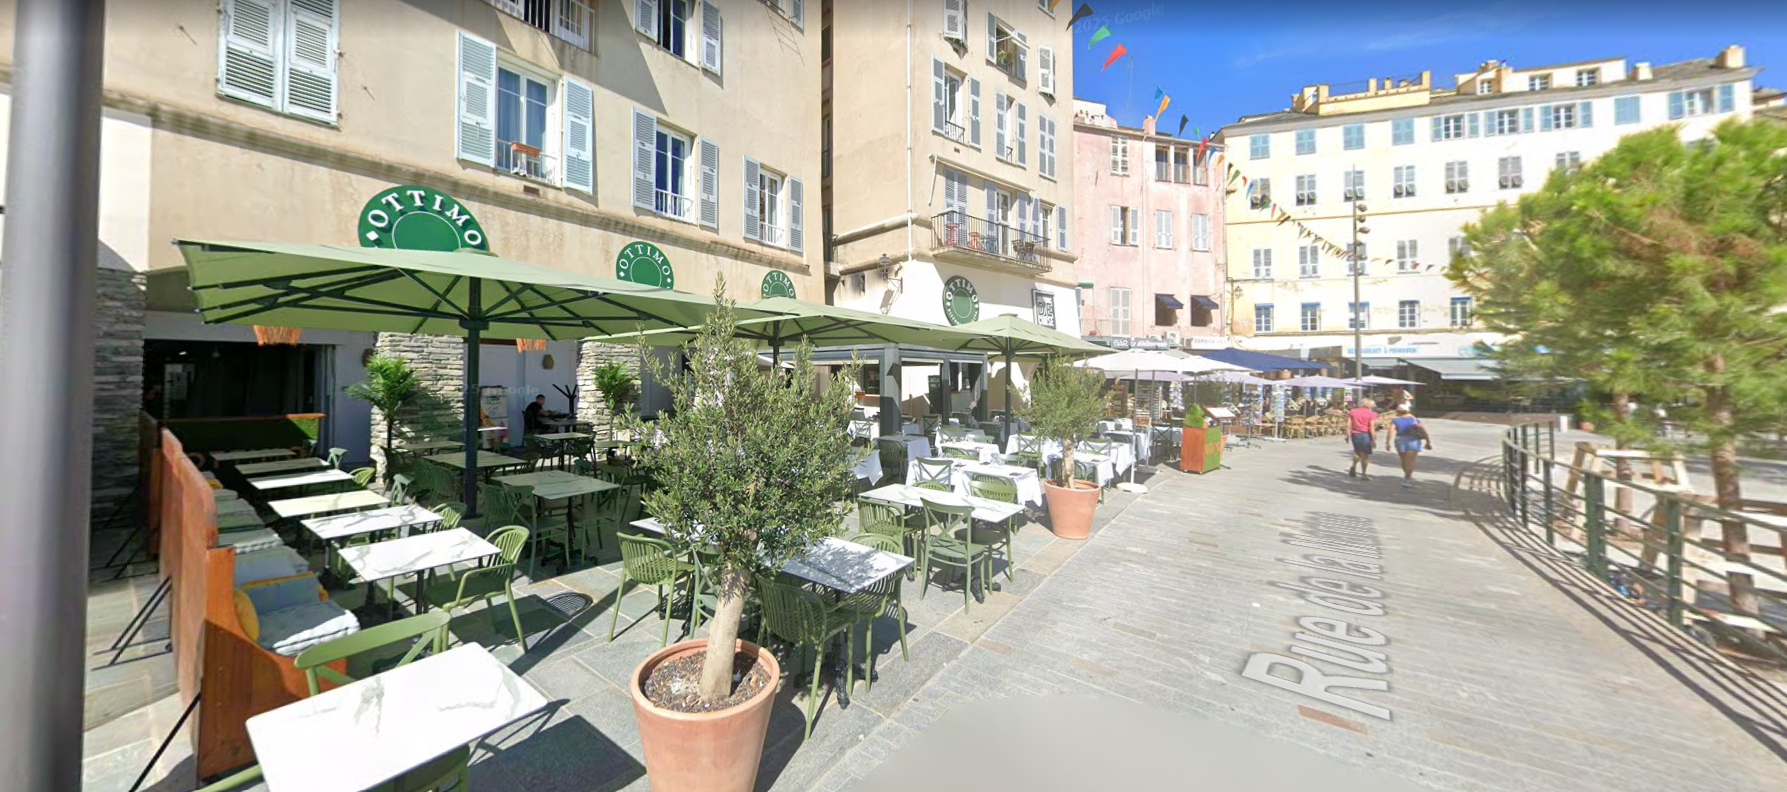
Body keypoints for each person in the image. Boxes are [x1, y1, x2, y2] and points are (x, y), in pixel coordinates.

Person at [1386, 406, 1432, 487]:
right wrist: (1428, 442)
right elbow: (1423, 431)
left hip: (1400, 440)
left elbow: (1390, 432)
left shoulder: (1395, 420)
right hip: (1413, 440)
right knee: (1410, 461)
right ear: (1408, 411)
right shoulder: (1414, 419)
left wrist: (1388, 442)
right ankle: (1407, 478)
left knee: (1403, 460)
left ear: (1398, 411)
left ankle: (1407, 476)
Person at [1345, 398, 1381, 479]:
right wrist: (1374, 439)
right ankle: (1364, 474)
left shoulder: (1353, 411)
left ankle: (1354, 465)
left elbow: (1348, 425)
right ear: (1370, 405)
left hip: (1355, 434)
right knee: (1365, 455)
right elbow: (1371, 427)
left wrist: (1347, 435)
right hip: (1366, 434)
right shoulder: (1372, 414)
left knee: (1357, 452)